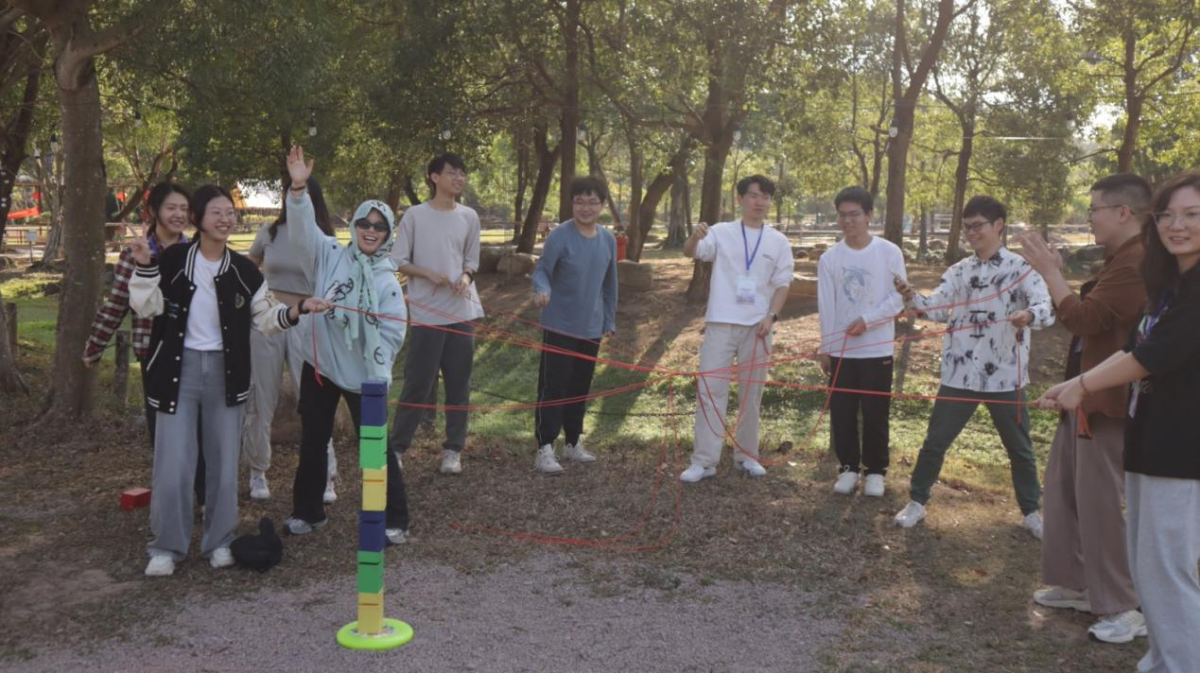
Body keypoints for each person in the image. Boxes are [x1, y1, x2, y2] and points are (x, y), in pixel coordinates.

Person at [1036, 171, 1200, 673]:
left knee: (1168, 569)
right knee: (1151, 565)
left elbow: (1151, 355)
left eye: (1192, 215)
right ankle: (1162, 660)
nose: (1176, 225)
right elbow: (1134, 346)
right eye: (1168, 215)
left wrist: (1084, 386)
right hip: (1150, 439)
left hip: (1183, 447)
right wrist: (1074, 384)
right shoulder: (1171, 284)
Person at [128, 184, 323, 577]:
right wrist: (146, 267)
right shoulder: (173, 260)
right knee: (173, 464)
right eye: (216, 212)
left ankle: (219, 541)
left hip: (226, 374)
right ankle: (166, 547)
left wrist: (299, 308)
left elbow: (266, 318)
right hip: (177, 374)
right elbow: (145, 307)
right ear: (198, 219)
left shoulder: (244, 270)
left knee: (222, 464)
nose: (225, 219)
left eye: (229, 212)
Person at [1019, 175, 1150, 643]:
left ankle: (1123, 605)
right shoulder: (1120, 259)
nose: (1089, 217)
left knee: (1099, 503)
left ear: (1123, 213)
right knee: (1063, 491)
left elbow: (1085, 318)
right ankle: (1075, 583)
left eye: (1094, 209)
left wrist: (1049, 274)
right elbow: (1095, 317)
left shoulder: (1138, 262)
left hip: (1106, 402)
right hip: (1082, 396)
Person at [892, 196, 1054, 538]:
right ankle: (917, 502)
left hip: (1005, 376)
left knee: (1020, 449)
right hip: (960, 374)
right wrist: (910, 295)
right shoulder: (958, 271)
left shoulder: (1022, 269)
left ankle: (1031, 511)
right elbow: (936, 309)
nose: (971, 233)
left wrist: (1028, 315)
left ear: (999, 225)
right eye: (966, 227)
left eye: (977, 225)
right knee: (935, 442)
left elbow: (1046, 307)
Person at [282, 146, 410, 544]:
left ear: (388, 234)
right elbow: (302, 233)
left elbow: (393, 333)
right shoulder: (329, 254)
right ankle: (308, 511)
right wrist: (298, 190)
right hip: (321, 366)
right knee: (313, 440)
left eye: (379, 226)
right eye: (364, 223)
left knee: (374, 448)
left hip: (364, 375)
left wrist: (376, 368)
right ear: (353, 225)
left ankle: (394, 519)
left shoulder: (388, 281)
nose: (370, 230)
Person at [83, 182, 207, 504]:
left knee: (200, 427)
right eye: (171, 208)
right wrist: (95, 346)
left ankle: (203, 496)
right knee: (163, 429)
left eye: (184, 209)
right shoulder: (135, 253)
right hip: (154, 353)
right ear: (154, 212)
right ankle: (171, 497)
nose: (179, 215)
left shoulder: (197, 251)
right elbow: (117, 304)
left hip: (194, 350)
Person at [680, 175, 794, 482]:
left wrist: (771, 316)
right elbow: (691, 252)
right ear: (740, 199)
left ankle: (747, 457)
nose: (760, 202)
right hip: (721, 323)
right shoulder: (721, 232)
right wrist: (694, 236)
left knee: (751, 394)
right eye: (754, 195)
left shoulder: (778, 241)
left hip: (758, 327)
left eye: (765, 197)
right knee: (710, 390)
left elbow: (783, 283)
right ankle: (704, 461)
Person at [242, 177, 339, 503]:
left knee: (314, 401)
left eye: (304, 195)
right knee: (261, 399)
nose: (296, 200)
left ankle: (326, 475)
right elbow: (248, 270)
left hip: (307, 323)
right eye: (292, 194)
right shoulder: (269, 232)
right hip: (268, 321)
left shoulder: (323, 239)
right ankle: (257, 471)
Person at [389, 153, 483, 476]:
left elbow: (472, 260)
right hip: (427, 314)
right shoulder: (415, 215)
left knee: (459, 383)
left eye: (462, 173)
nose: (459, 178)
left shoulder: (469, 216)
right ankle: (397, 448)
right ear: (434, 177)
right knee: (418, 382)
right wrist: (427, 273)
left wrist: (465, 278)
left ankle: (453, 450)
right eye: (452, 173)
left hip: (462, 311)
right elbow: (398, 260)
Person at [817, 186, 906, 497]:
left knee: (875, 412)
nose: (848, 221)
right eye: (842, 215)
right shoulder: (830, 258)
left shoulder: (889, 252)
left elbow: (899, 298)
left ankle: (876, 471)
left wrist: (868, 320)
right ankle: (848, 468)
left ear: (869, 215)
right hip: (842, 351)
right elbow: (827, 307)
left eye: (854, 214)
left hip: (877, 348)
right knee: (842, 411)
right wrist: (826, 348)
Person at [530, 176, 618, 474]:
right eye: (580, 201)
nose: (586, 208)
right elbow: (542, 271)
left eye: (592, 202)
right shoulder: (560, 236)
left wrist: (609, 319)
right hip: (559, 325)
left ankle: (572, 442)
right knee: (554, 386)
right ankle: (545, 447)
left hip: (591, 327)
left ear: (602, 205)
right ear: (571, 203)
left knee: (580, 387)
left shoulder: (607, 239)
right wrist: (542, 290)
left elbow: (610, 284)